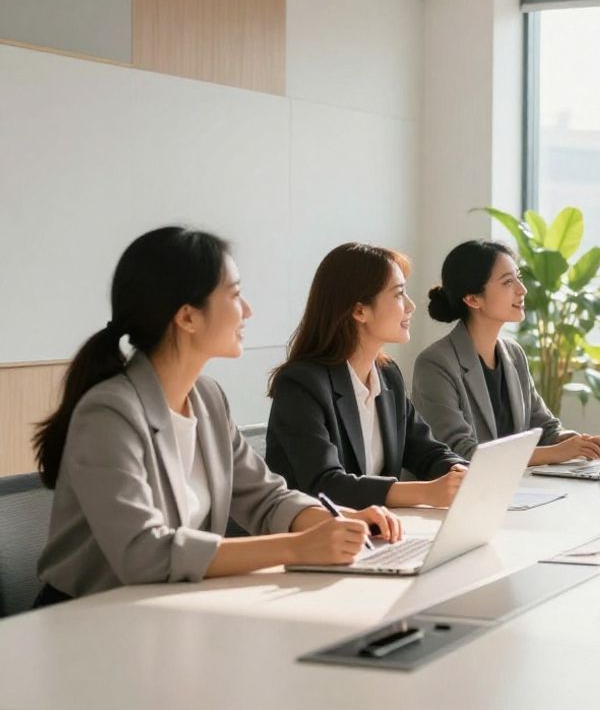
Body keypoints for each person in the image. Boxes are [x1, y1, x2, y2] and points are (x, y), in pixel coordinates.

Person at [33, 227, 396, 605]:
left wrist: (337, 521)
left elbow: (266, 497)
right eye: (236, 294)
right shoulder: (108, 412)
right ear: (188, 317)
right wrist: (296, 548)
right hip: (86, 618)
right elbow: (143, 553)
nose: (249, 310)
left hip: (168, 607)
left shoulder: (207, 398)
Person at [266, 243, 468, 509]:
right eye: (398, 294)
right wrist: (425, 493)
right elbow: (325, 485)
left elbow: (425, 451)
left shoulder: (387, 375)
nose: (410, 306)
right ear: (360, 311)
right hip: (317, 540)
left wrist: (461, 472)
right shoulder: (301, 384)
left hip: (379, 533)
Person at [411, 240, 600, 465]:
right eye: (507, 282)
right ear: (473, 299)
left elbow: (545, 428)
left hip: (519, 488)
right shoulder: (435, 363)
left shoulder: (514, 354)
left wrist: (585, 443)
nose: (521, 290)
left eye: (519, 278)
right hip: (461, 495)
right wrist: (561, 452)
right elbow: (460, 453)